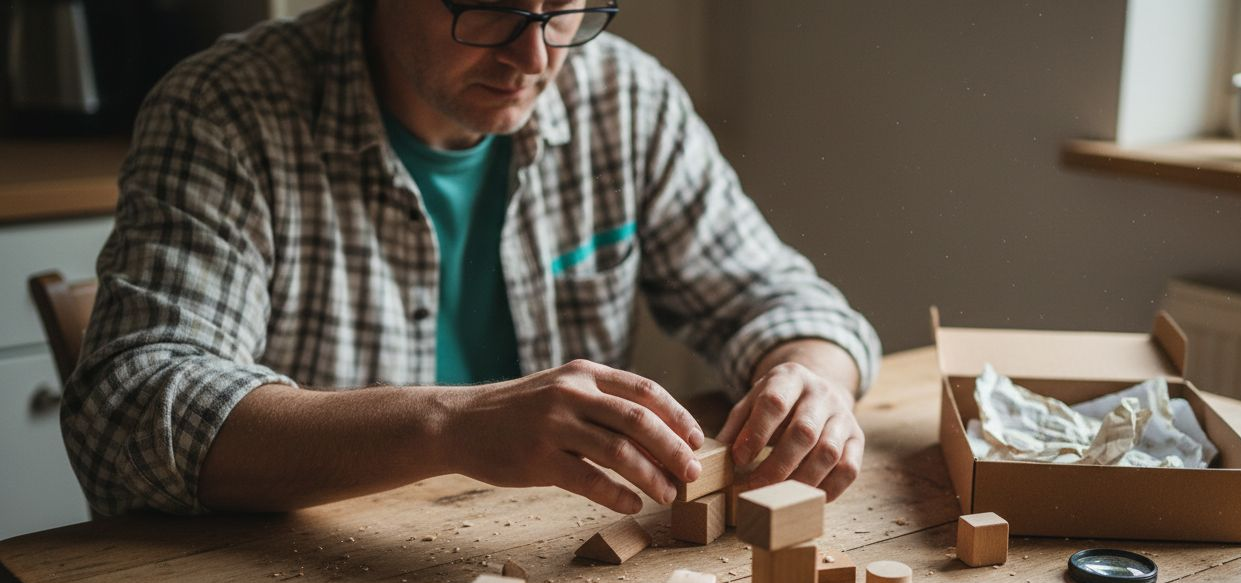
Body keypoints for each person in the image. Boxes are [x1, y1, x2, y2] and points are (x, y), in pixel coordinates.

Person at [60, 0, 880, 518]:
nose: (535, 61)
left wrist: (812, 377)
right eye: (488, 8)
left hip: (551, 580)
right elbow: (130, 410)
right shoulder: (224, 110)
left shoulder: (626, 98)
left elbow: (779, 299)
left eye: (562, 9)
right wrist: (449, 426)